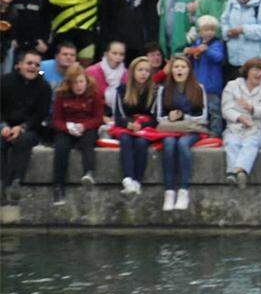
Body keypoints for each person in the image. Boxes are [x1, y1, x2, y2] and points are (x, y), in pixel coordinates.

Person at [155, 55, 208, 212]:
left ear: (189, 70)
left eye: (183, 67)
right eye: (176, 67)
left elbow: (203, 117)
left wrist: (184, 117)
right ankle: (169, 191)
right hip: (170, 129)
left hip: (191, 128)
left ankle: (184, 190)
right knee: (169, 145)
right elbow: (159, 117)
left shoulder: (199, 88)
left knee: (183, 144)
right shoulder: (163, 90)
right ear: (171, 70)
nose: (179, 70)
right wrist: (169, 117)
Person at [1, 51, 52, 205]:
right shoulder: (4, 81)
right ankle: (3, 183)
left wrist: (21, 128)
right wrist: (3, 126)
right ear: (19, 65)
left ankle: (16, 181)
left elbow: (40, 115)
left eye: (37, 65)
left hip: (30, 129)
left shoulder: (44, 86)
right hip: (5, 125)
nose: (33, 67)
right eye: (29, 63)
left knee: (24, 141)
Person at [49, 65, 103, 206]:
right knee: (61, 146)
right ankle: (58, 186)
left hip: (87, 127)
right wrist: (67, 127)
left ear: (86, 81)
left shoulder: (94, 94)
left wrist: (84, 126)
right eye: (75, 83)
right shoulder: (61, 96)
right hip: (67, 128)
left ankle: (88, 172)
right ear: (69, 84)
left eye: (81, 82)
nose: (79, 86)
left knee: (88, 142)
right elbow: (56, 120)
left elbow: (98, 118)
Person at [221, 57, 261, 187]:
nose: (259, 74)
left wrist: (251, 108)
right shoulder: (232, 86)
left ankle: (238, 172)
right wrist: (240, 117)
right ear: (247, 71)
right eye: (255, 70)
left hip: (256, 128)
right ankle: (235, 174)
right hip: (234, 127)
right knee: (232, 142)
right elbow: (226, 109)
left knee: (251, 143)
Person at [112, 56, 156, 196]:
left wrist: (141, 124)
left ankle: (137, 180)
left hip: (146, 127)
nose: (143, 73)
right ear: (132, 72)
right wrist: (129, 124)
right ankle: (128, 178)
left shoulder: (155, 91)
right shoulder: (122, 90)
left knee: (141, 143)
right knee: (125, 139)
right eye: (140, 70)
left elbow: (156, 118)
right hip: (127, 126)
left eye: (147, 71)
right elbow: (118, 117)